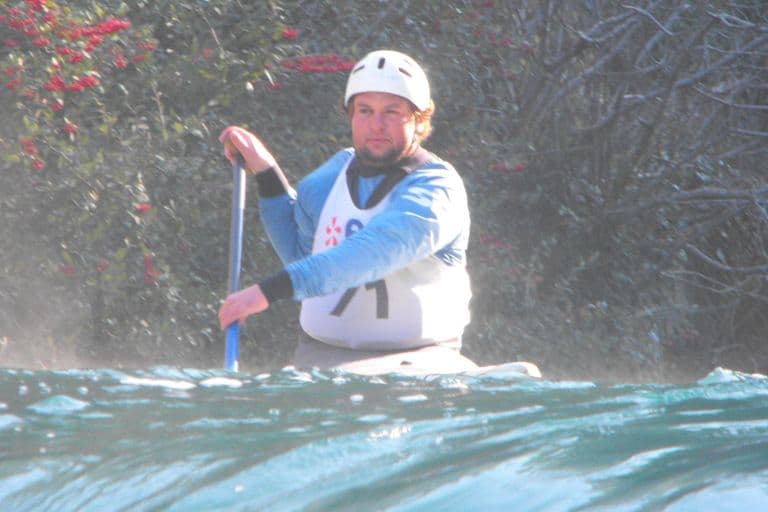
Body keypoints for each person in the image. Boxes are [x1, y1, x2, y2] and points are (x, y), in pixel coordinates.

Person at [217, 49, 477, 374]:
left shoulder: (438, 188)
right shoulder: (327, 179)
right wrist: (267, 174)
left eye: (392, 111)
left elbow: (375, 252)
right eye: (365, 110)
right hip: (321, 356)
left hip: (420, 360)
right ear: (351, 115)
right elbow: (302, 256)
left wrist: (266, 292)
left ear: (419, 119)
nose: (376, 125)